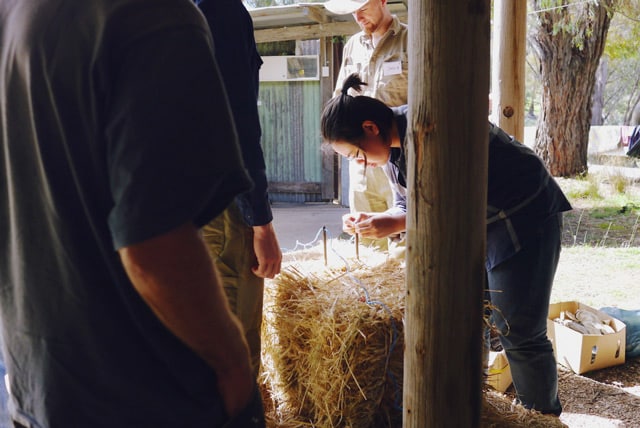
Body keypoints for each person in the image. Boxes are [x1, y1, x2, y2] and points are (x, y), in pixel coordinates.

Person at [0, 1, 264, 426]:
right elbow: (153, 250)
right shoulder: (153, 15)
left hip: (39, 388)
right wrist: (234, 365)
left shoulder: (14, 14)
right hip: (144, 395)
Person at [320, 74, 571, 416]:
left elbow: (447, 202)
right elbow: (410, 206)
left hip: (523, 216)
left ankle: (542, 418)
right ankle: (476, 409)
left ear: (370, 127)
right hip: (477, 226)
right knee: (470, 321)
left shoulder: (428, 129)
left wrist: (396, 222)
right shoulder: (392, 148)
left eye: (356, 155)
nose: (358, 164)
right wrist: (380, 220)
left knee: (519, 331)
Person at [195, 0, 283, 378]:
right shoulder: (221, 11)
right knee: (234, 347)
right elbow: (239, 123)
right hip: (220, 203)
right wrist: (260, 222)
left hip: (172, 203)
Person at [325, 0, 408, 250]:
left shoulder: (412, 41)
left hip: (403, 158)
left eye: (362, 7)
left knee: (408, 240)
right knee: (369, 240)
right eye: (352, 11)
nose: (357, 16)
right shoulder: (351, 46)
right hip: (362, 162)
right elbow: (340, 100)